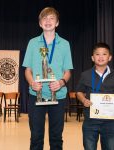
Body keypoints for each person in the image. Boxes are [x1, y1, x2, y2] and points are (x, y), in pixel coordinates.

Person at [22, 7, 73, 150]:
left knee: (56, 137)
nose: (48, 21)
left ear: (57, 23)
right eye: (44, 18)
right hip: (36, 95)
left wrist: (61, 82)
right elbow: (27, 70)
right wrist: (32, 82)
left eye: (51, 18)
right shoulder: (32, 43)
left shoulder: (65, 44)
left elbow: (67, 71)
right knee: (36, 137)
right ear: (40, 23)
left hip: (58, 95)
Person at [76, 42, 114, 150]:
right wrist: (83, 100)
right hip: (90, 120)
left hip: (110, 122)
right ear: (92, 58)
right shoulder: (85, 75)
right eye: (97, 54)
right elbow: (79, 91)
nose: (101, 57)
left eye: (104, 54)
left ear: (109, 57)